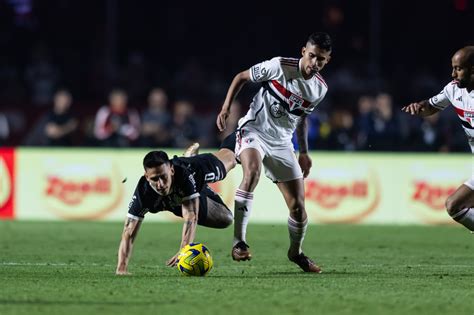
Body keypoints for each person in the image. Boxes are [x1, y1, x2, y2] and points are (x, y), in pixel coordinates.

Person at [216, 32, 333, 273]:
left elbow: (302, 119)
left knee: (298, 207)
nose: (314, 63)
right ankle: (239, 242)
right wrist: (226, 108)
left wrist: (304, 152)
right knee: (252, 172)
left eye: (320, 59)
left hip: (282, 143)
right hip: (254, 130)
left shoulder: (319, 89)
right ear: (303, 51)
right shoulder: (278, 66)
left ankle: (295, 253)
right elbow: (241, 77)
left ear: (326, 61)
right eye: (311, 56)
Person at [116, 140, 236, 275]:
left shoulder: (183, 175)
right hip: (182, 198)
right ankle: (192, 183)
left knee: (232, 161)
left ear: (171, 170)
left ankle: (189, 159)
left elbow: (191, 216)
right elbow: (128, 232)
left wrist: (184, 250)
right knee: (224, 219)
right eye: (155, 179)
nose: (160, 184)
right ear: (147, 177)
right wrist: (121, 268)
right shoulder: (143, 192)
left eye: (163, 177)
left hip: (196, 171)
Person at [402, 46, 474, 232]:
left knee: (454, 205)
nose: (453, 73)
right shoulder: (453, 90)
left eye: (458, 68)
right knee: (454, 206)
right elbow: (432, 106)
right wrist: (419, 107)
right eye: (453, 68)